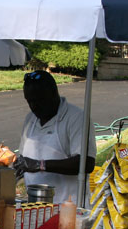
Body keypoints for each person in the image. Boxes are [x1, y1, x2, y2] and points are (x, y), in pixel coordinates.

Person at [13, 70, 96, 205]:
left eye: (39, 100)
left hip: (68, 207)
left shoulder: (77, 118)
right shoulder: (30, 119)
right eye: (29, 101)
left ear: (53, 93)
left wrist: (40, 165)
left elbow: (86, 162)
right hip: (35, 204)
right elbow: (25, 160)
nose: (34, 106)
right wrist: (19, 168)